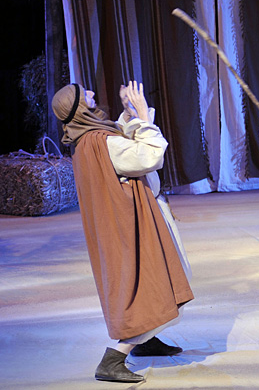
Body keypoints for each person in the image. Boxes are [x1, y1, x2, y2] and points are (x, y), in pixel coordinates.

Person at [51, 81, 194, 382]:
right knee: (157, 280)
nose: (92, 93)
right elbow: (149, 156)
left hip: (128, 220)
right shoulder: (100, 141)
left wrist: (129, 116)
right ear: (79, 106)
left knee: (161, 277)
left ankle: (146, 340)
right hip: (134, 223)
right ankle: (114, 358)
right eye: (85, 94)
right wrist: (142, 116)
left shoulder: (88, 140)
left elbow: (118, 140)